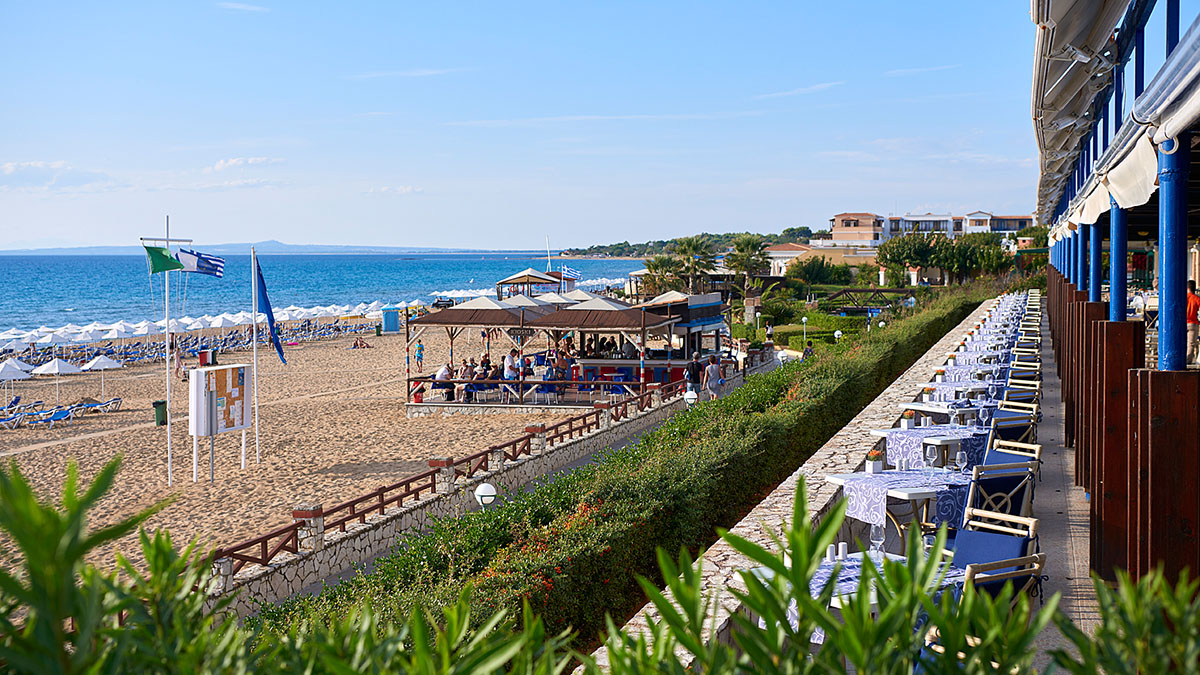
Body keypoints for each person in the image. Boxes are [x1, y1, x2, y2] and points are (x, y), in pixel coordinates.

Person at [1188, 280, 1200, 363]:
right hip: (1193, 323)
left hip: (1182, 322)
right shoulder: (1196, 298)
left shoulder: (1182, 298)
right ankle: (1187, 361)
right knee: (1191, 344)